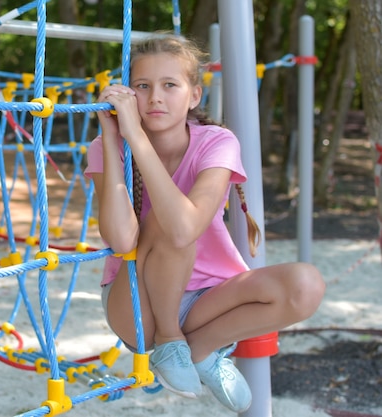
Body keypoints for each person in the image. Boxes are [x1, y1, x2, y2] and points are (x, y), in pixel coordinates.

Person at [84, 33, 325, 413]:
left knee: (305, 284)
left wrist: (138, 139)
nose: (155, 98)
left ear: (194, 95)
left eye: (170, 85)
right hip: (137, 303)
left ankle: (197, 352)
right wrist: (116, 140)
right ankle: (168, 339)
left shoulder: (217, 142)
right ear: (127, 95)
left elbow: (186, 227)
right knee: (170, 221)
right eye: (142, 87)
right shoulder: (108, 145)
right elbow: (121, 238)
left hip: (207, 300)